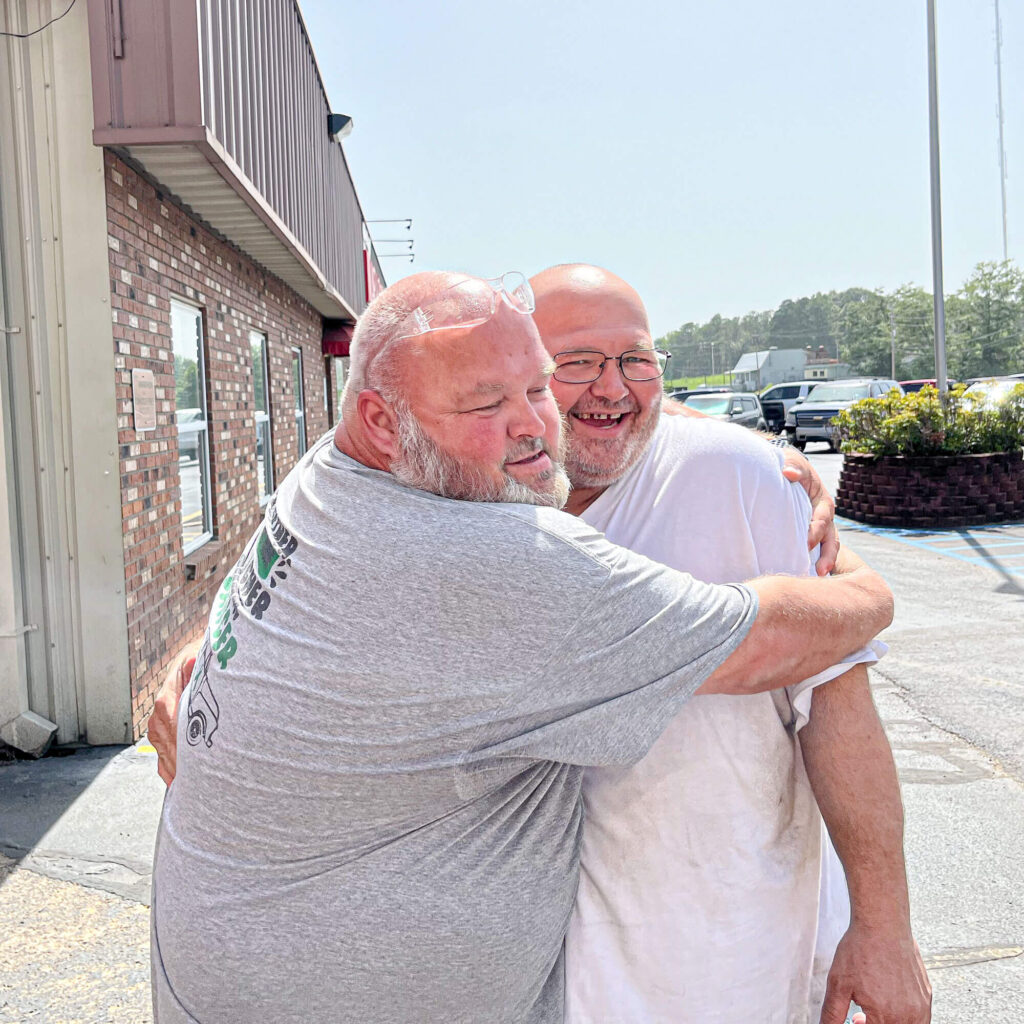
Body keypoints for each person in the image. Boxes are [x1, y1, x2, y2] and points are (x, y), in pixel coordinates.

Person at [149, 271, 893, 1024]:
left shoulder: (329, 477)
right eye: (489, 402)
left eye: (536, 385)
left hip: (708, 971)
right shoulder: (490, 553)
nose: (533, 422)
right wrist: (866, 587)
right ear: (380, 421)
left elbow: (835, 698)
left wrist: (206, 664)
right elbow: (763, 642)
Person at [528, 264, 930, 1024]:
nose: (611, 388)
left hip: (734, 956)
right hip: (554, 970)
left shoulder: (733, 474)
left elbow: (840, 709)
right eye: (575, 363)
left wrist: (883, 927)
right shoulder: (487, 500)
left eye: (636, 360)